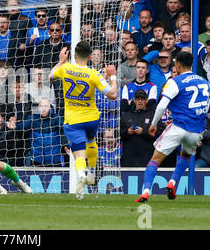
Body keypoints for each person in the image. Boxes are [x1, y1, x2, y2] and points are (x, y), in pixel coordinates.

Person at [136, 51, 210, 202]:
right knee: (185, 155)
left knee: (155, 159)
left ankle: (145, 191)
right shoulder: (204, 81)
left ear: (177, 65)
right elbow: (206, 105)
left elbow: (162, 105)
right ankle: (172, 182)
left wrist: (153, 124)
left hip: (178, 126)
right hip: (196, 130)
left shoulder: (175, 81)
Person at [50, 41, 118, 199]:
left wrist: (61, 61)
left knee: (79, 154)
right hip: (92, 118)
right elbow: (113, 94)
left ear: (73, 56)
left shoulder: (66, 68)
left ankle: (82, 174)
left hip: (73, 120)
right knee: (91, 140)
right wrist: (112, 76)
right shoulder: (94, 74)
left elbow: (51, 76)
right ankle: (92, 173)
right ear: (89, 56)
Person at [120, 89, 165, 167]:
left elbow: (160, 134)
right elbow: (118, 134)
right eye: (138, 99)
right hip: (128, 160)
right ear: (134, 100)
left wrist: (143, 132)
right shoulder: (126, 116)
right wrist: (128, 132)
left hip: (147, 158)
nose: (140, 101)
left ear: (146, 101)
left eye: (142, 99)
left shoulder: (153, 116)